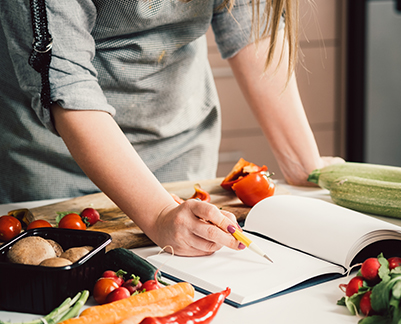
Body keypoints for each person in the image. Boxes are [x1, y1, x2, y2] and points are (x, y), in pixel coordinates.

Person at [0, 0, 343, 256]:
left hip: (181, 154)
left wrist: (304, 164)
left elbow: (252, 25)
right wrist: (160, 213)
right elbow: (67, 86)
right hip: (53, 167)